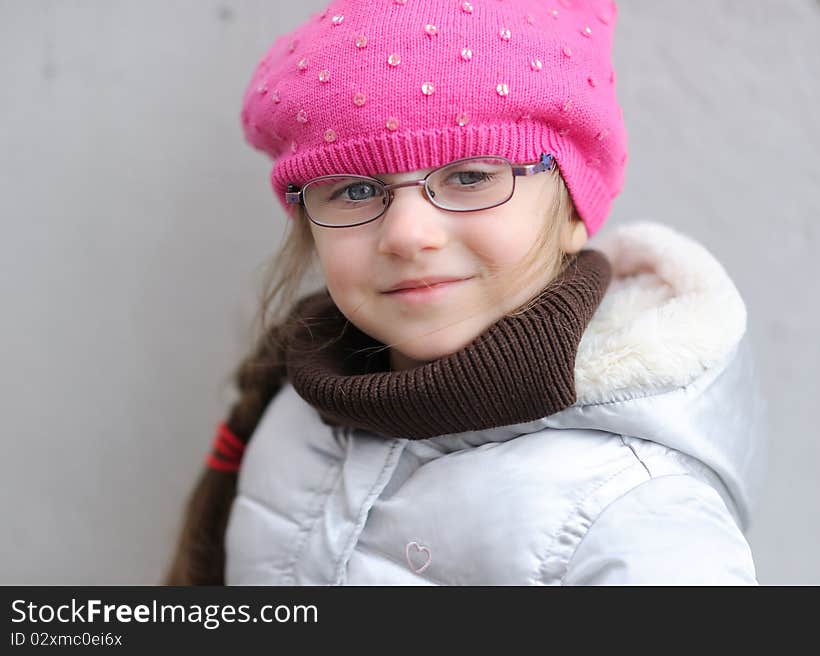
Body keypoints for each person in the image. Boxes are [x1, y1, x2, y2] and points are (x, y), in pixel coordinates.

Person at [165, 0, 767, 585]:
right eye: (352, 188)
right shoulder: (292, 412)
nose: (406, 234)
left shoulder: (638, 518)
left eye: (471, 176)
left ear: (573, 209)